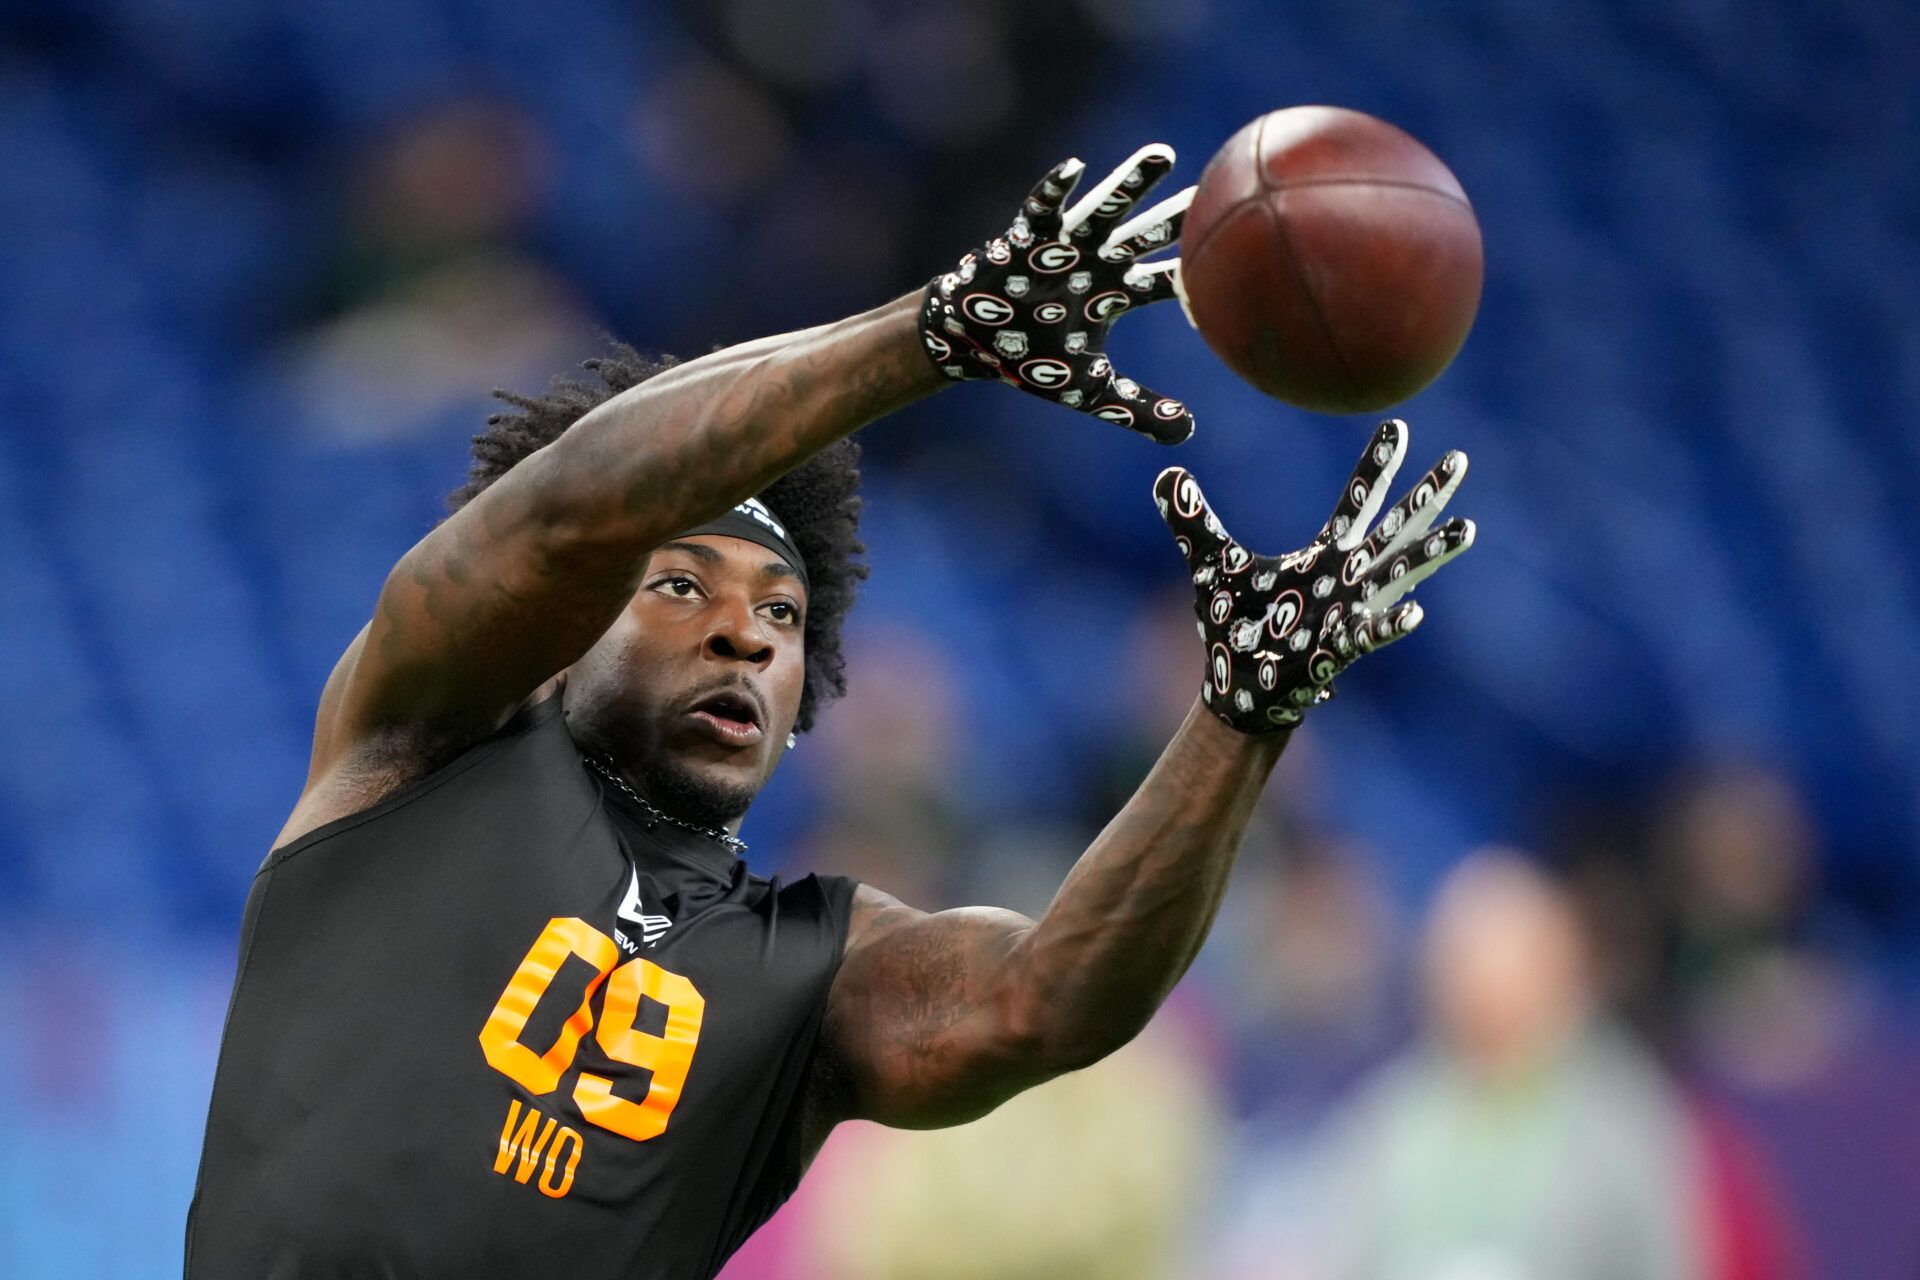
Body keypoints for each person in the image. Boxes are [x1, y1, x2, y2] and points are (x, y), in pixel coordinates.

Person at [186, 144, 1475, 1279]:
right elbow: (566, 511)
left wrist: (1240, 717)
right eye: (682, 585)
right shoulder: (424, 742)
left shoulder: (811, 968)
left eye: (785, 614)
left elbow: (1046, 1002)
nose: (745, 628)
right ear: (567, 626)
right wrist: (935, 333)